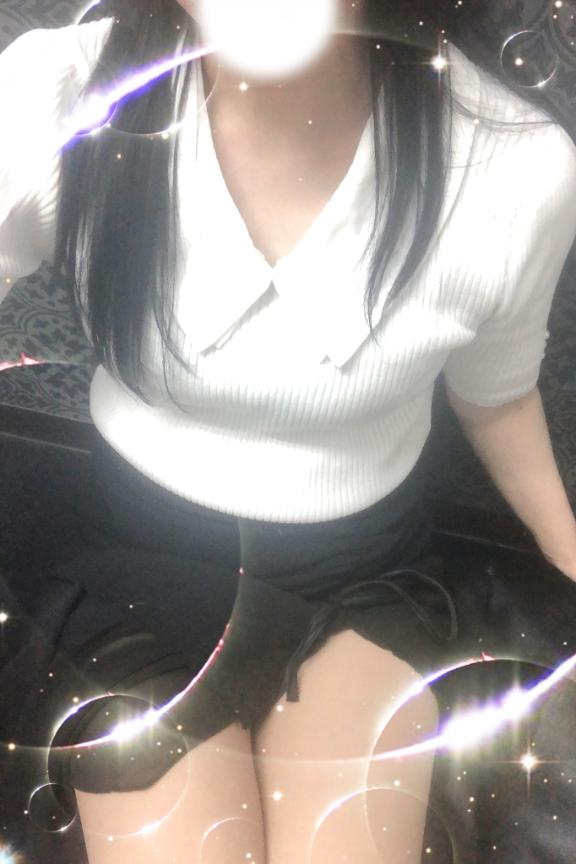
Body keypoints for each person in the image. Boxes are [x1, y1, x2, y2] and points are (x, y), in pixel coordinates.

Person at [1, 1, 576, 862]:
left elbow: (497, 398)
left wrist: (568, 550)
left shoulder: (514, 169)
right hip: (132, 566)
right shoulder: (60, 97)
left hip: (362, 579)